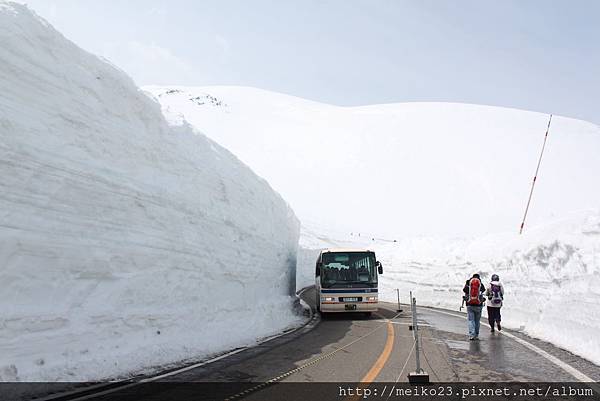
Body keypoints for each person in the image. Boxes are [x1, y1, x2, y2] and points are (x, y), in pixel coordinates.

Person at [463, 273, 485, 341]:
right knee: (477, 321)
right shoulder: (480, 284)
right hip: (478, 305)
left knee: (471, 320)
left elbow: (464, 290)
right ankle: (476, 335)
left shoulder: (468, 283)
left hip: (469, 304)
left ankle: (471, 335)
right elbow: (483, 290)